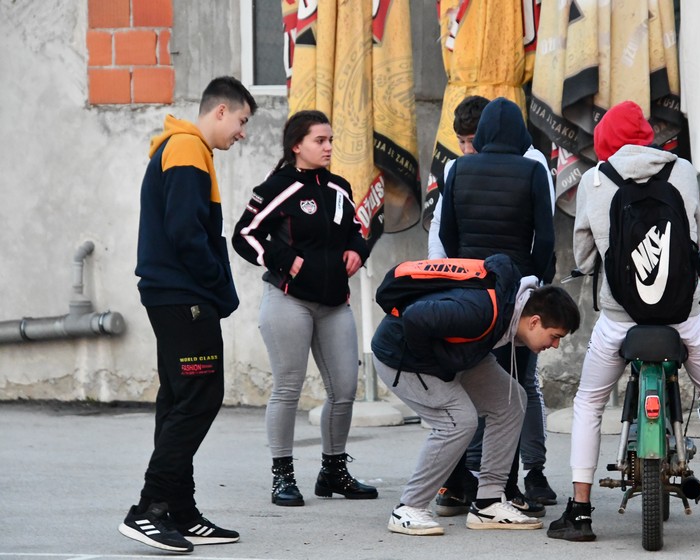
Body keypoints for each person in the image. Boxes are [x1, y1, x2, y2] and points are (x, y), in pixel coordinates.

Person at [548, 100, 700, 544]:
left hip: (619, 321)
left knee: (589, 404)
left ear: (605, 143)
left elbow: (584, 257)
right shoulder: (682, 172)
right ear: (646, 136)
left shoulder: (595, 180)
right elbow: (692, 240)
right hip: (684, 318)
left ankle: (579, 512)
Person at [120, 76, 257, 554]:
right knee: (199, 397)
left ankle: (179, 510)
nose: (242, 133)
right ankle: (150, 509)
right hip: (184, 297)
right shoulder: (185, 148)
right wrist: (217, 285)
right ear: (220, 111)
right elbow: (186, 232)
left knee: (179, 400)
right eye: (241, 120)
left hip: (173, 295)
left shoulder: (186, 148)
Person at [372, 254, 580, 536]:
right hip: (402, 356)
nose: (554, 345)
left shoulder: (508, 309)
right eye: (555, 336)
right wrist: (437, 367)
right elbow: (414, 318)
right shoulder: (479, 311)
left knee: (511, 401)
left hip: (450, 354)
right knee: (458, 421)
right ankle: (408, 508)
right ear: (534, 322)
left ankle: (488, 503)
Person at [232, 110, 377, 509]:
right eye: (320, 140)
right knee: (288, 389)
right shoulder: (277, 187)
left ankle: (333, 472)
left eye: (330, 140)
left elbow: (356, 230)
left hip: (334, 304)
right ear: (297, 145)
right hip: (288, 302)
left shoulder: (339, 187)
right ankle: (283, 476)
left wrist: (357, 250)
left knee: (344, 390)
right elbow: (244, 235)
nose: (328, 147)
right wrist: (285, 260)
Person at [436, 96, 558, 514]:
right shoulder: (533, 170)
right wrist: (532, 278)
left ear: (484, 133)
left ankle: (458, 484)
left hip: (469, 292)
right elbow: (545, 237)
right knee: (511, 392)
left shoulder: (459, 168)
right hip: (514, 296)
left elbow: (447, 234)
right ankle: (503, 487)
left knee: (463, 385)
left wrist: (467, 267)